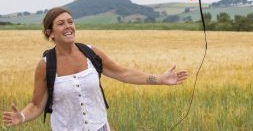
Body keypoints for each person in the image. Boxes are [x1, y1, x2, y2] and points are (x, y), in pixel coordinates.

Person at [2, 7, 188, 131]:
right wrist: (23, 116)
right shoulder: (45, 65)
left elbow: (123, 73)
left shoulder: (91, 53)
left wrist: (160, 79)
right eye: (61, 23)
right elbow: (36, 105)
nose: (68, 26)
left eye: (70, 21)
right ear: (50, 33)